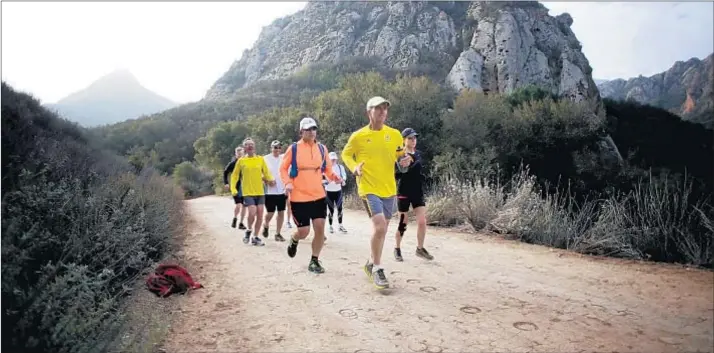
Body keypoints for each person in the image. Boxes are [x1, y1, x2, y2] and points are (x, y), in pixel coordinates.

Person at [341, 96, 411, 290]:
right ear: (368, 112)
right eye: (378, 108)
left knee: (383, 229)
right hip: (368, 187)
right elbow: (345, 154)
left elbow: (400, 157)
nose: (382, 112)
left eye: (385, 109)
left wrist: (404, 162)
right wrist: (354, 167)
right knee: (379, 226)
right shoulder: (358, 136)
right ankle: (378, 269)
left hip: (388, 188)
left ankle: (371, 262)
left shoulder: (395, 134)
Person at [280, 117, 343, 274]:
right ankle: (294, 239)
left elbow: (327, 169)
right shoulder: (293, 149)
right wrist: (287, 182)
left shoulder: (322, 148)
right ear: (301, 131)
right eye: (308, 129)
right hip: (299, 197)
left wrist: (335, 177)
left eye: (314, 129)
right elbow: (283, 168)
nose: (311, 132)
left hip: (318, 195)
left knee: (320, 228)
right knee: (304, 232)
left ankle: (314, 260)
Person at [393, 128, 434, 262]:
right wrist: (402, 166)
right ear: (404, 140)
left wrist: (411, 161)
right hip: (404, 191)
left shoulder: (419, 154)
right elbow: (396, 174)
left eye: (415, 138)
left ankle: (420, 249)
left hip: (418, 192)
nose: (413, 140)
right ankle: (397, 249)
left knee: (422, 222)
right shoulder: (398, 155)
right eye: (410, 138)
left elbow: (419, 163)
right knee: (403, 223)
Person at [230, 137, 276, 246]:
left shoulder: (260, 159)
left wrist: (271, 179)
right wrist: (233, 188)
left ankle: (255, 237)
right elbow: (235, 176)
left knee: (260, 214)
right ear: (245, 148)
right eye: (247, 145)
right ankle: (249, 230)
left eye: (251, 144)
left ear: (254, 147)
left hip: (260, 191)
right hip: (248, 192)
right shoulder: (241, 161)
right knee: (252, 212)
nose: (250, 146)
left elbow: (266, 172)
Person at [262, 140, 287, 242]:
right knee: (270, 213)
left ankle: (278, 233)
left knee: (281, 212)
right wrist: (267, 180)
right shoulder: (265, 159)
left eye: (278, 147)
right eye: (275, 147)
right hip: (270, 191)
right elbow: (260, 173)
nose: (277, 149)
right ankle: (266, 225)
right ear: (271, 148)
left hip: (281, 190)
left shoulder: (284, 158)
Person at [324, 152, 348, 234]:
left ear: (336, 159)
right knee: (331, 210)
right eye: (331, 159)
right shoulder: (326, 168)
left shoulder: (340, 167)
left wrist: (342, 180)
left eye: (334, 159)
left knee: (340, 209)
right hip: (329, 191)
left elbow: (344, 176)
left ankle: (340, 225)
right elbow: (322, 179)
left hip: (338, 191)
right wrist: (327, 181)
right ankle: (330, 226)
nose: (333, 160)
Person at [223, 146, 247, 230]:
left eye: (241, 153)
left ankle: (241, 222)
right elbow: (225, 172)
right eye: (238, 154)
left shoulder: (246, 162)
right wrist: (226, 183)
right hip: (236, 187)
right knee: (239, 205)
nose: (240, 155)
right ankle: (235, 218)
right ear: (236, 154)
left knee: (245, 205)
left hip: (246, 187)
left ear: (244, 153)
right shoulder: (233, 164)